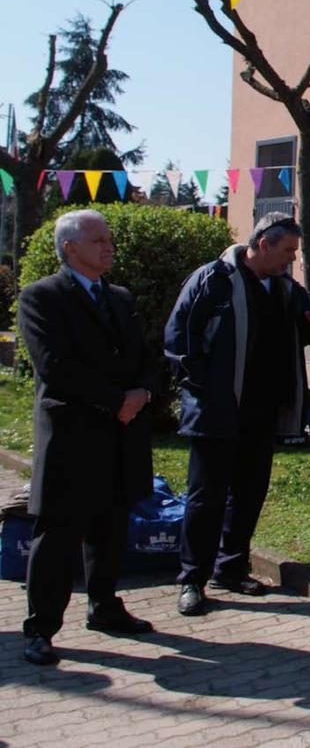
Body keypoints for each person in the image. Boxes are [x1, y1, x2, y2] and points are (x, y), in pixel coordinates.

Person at [17, 210, 156, 665]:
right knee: (58, 534)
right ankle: (40, 627)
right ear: (69, 248)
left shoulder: (119, 297)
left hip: (120, 435)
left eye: (109, 239)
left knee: (111, 528)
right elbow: (54, 366)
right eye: (98, 240)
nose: (108, 246)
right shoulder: (42, 298)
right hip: (74, 435)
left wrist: (142, 391)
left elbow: (143, 354)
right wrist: (116, 399)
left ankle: (104, 606)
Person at [165, 213, 310, 617]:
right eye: (287, 251)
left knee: (249, 494)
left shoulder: (286, 288)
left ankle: (230, 568)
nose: (291, 259)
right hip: (216, 412)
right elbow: (180, 340)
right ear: (264, 244)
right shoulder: (212, 280)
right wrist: (203, 392)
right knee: (206, 499)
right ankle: (192, 581)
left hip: (261, 411)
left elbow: (308, 327)